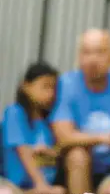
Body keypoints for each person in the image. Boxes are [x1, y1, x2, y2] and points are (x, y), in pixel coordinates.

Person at [49, 29, 110, 194]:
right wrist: (107, 137)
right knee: (77, 155)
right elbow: (63, 137)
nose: (92, 59)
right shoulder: (67, 83)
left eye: (100, 52)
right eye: (87, 53)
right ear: (79, 57)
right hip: (80, 164)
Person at [2, 62, 65, 194]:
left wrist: (51, 153)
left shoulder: (50, 120)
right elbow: (23, 150)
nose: (51, 93)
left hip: (46, 184)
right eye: (45, 87)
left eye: (53, 88)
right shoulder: (15, 112)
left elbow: (59, 151)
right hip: (16, 186)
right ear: (26, 86)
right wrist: (41, 184)